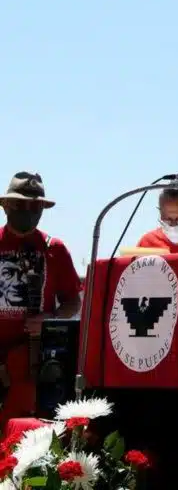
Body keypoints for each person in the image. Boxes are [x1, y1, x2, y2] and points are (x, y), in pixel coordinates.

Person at [0, 173, 80, 430]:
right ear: (5, 206)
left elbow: (73, 302)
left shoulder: (55, 249)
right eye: (20, 204)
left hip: (31, 362)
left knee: (20, 432)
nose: (28, 211)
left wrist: (50, 320)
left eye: (35, 206)